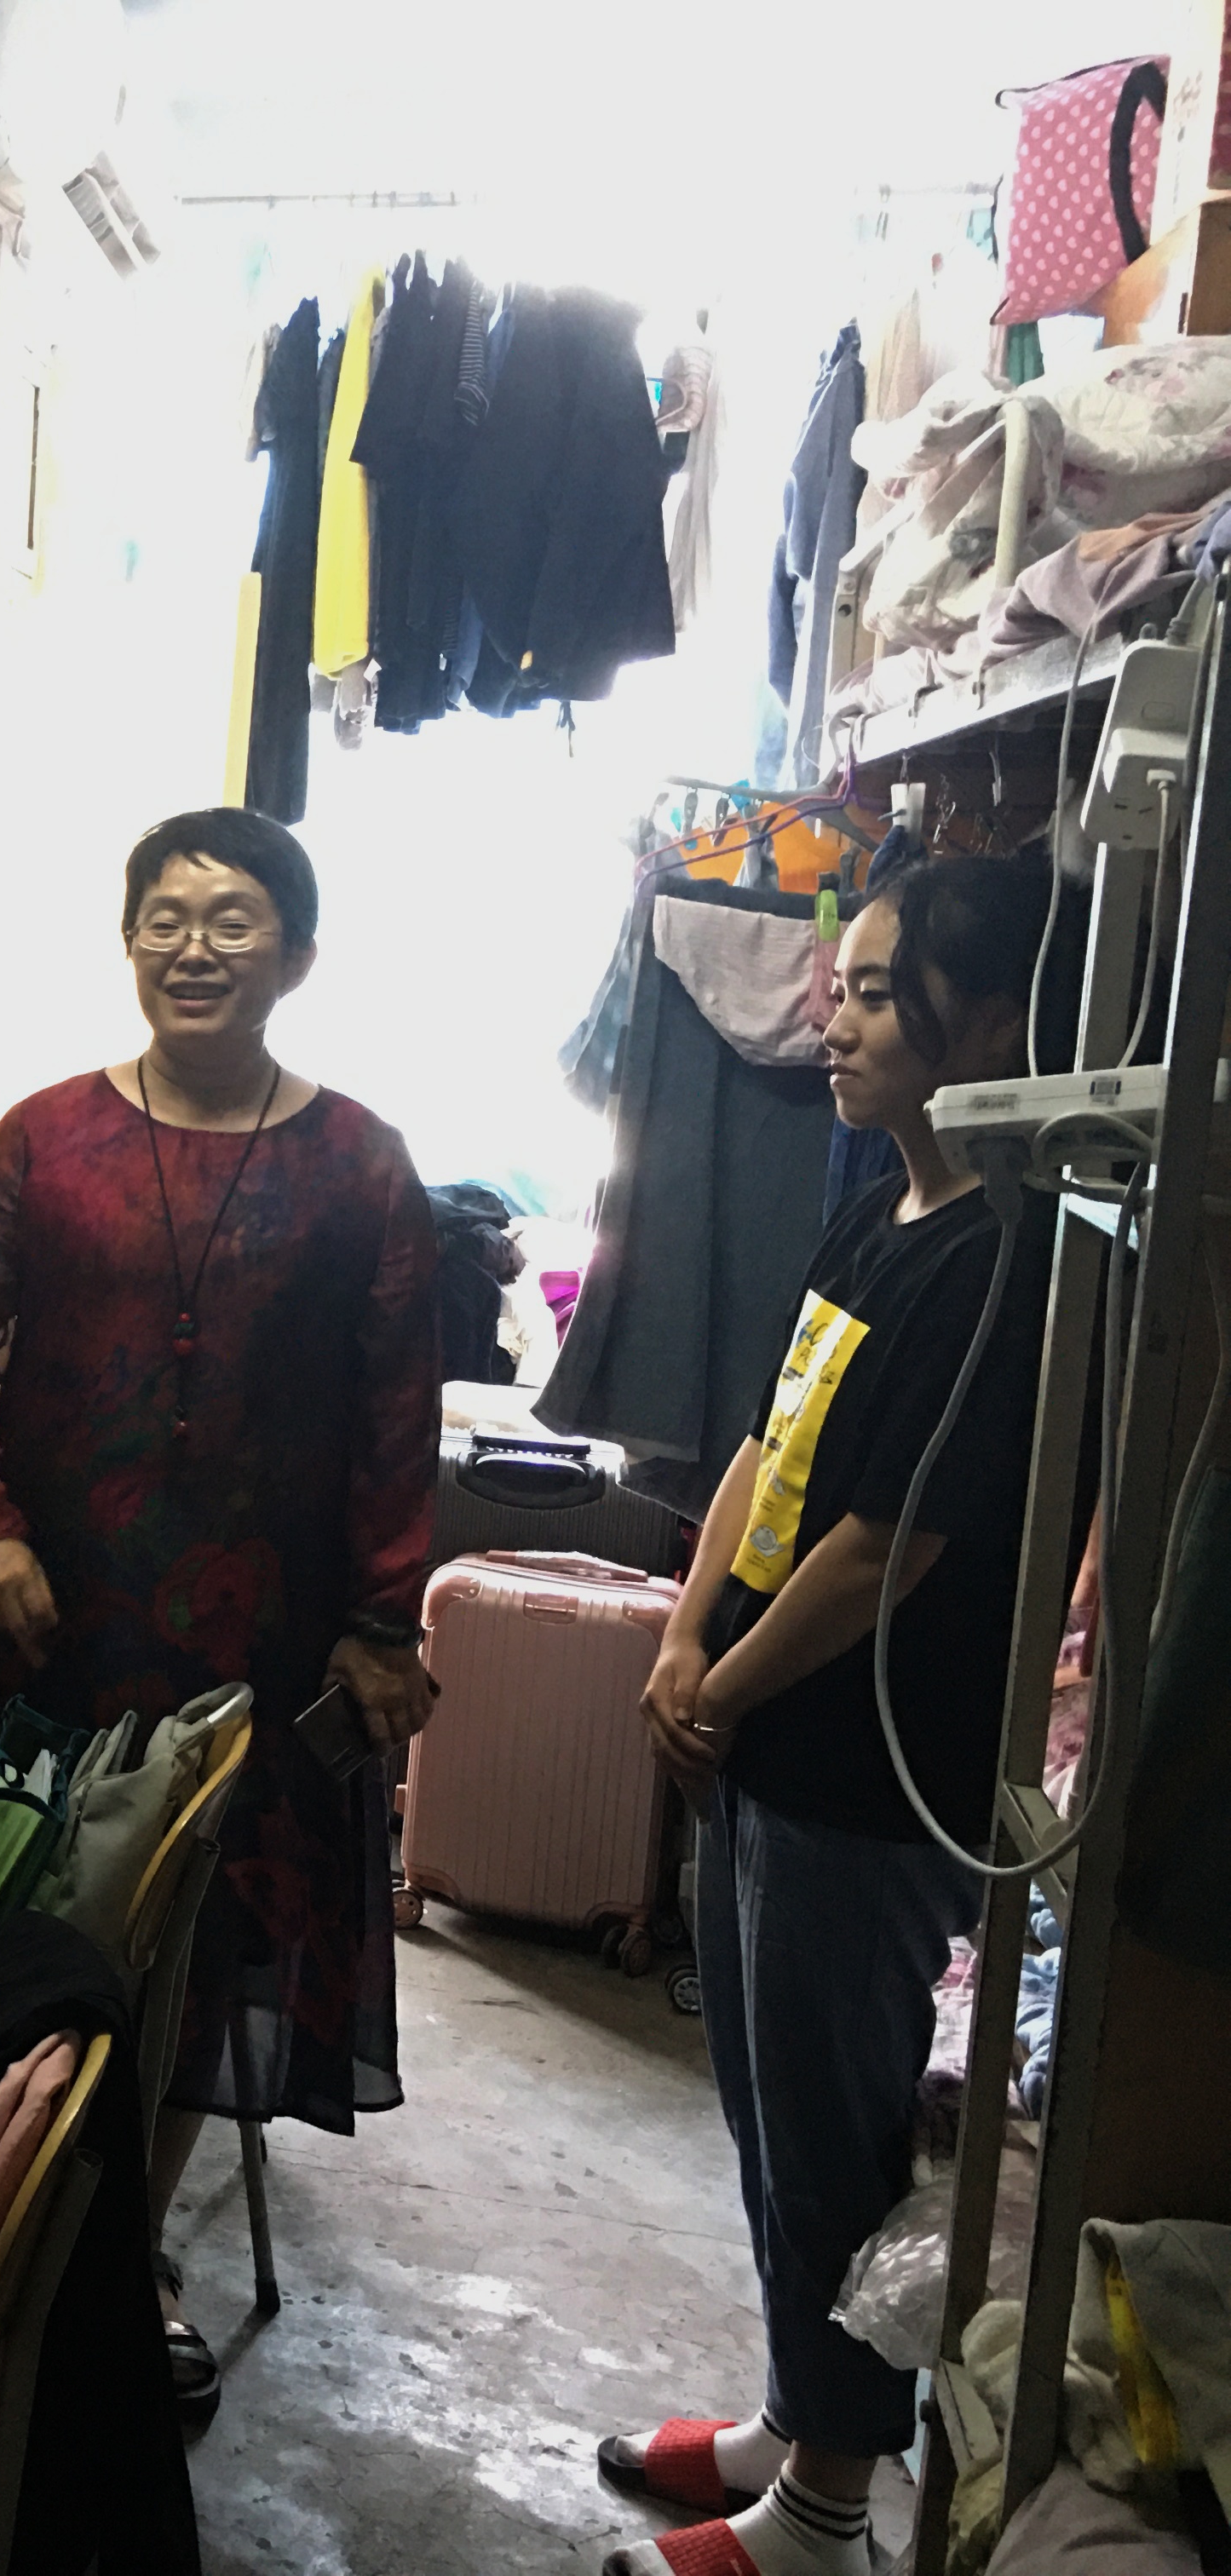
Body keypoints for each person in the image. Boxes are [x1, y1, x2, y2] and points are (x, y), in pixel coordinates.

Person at [0, 806, 440, 2429]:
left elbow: (395, 1418)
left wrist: (382, 1624)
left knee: (196, 1952)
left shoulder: (363, 1168)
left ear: (298, 954)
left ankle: (119, 2263)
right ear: (128, 938)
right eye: (164, 918)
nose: (193, 948)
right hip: (53, 1624)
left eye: (232, 920)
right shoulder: (43, 1143)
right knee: (23, 1928)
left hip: (256, 1654)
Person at [600, 854, 1067, 2576]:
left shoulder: (1008, 1262)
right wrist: (682, 1632)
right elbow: (765, 1443)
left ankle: (824, 2512)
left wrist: (716, 1685)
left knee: (830, 2134)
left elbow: (886, 1547)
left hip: (865, 1775)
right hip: (757, 1731)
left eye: (876, 993)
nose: (836, 1023)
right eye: (842, 988)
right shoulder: (880, 1209)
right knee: (766, 2109)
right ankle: (796, 2416)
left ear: (989, 1020)